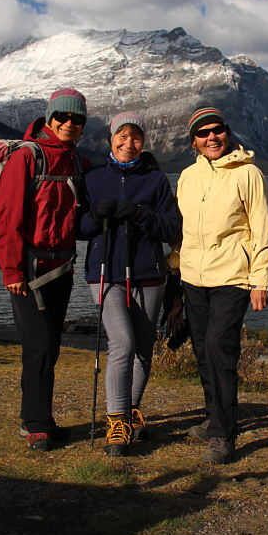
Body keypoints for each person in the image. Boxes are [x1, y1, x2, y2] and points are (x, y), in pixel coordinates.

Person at [167, 106, 268, 464]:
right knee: (201, 351)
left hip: (233, 277)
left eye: (217, 130)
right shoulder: (187, 177)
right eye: (203, 133)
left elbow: (262, 230)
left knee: (219, 349)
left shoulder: (249, 174)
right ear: (194, 141)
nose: (211, 137)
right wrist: (174, 269)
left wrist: (260, 280)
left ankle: (223, 435)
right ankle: (214, 416)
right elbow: (181, 231)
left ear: (227, 133)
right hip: (193, 278)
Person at [0, 88, 92, 452]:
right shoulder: (27, 157)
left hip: (61, 268)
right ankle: (33, 423)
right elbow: (7, 218)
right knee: (38, 346)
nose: (69, 123)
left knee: (50, 346)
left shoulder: (77, 161)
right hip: (29, 271)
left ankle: (42, 419)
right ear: (49, 118)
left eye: (77, 119)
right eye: (63, 117)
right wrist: (12, 271)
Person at [80, 112, 182, 456]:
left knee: (142, 348)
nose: (129, 143)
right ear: (110, 139)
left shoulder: (156, 181)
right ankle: (116, 423)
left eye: (136, 137)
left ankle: (131, 409)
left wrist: (141, 215)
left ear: (144, 142)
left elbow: (172, 229)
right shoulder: (92, 179)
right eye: (122, 136)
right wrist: (96, 216)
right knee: (122, 344)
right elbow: (78, 228)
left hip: (149, 276)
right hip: (105, 275)